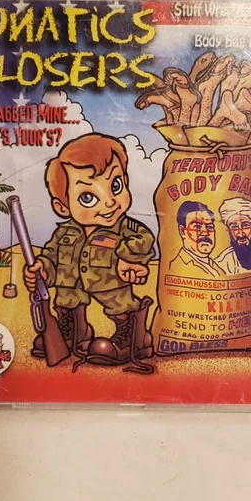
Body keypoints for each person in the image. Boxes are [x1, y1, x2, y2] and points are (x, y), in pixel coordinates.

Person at [23, 133, 155, 366]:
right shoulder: (65, 233)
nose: (109, 201)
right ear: (62, 207)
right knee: (66, 296)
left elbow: (144, 238)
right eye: (87, 197)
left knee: (119, 305)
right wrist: (42, 269)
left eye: (116, 185)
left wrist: (127, 258)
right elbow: (51, 256)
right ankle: (73, 331)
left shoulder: (125, 226)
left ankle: (133, 338)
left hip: (111, 283)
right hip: (73, 288)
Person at [215, 197, 251, 274]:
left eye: (245, 225)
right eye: (234, 227)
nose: (240, 234)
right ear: (229, 231)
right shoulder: (223, 263)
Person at [169, 202, 225, 278]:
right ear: (182, 231)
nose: (205, 233)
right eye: (197, 227)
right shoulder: (177, 267)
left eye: (210, 227)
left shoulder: (215, 266)